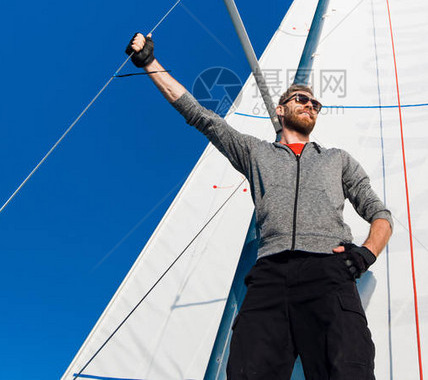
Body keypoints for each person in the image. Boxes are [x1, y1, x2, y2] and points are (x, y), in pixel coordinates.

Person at [128, 32, 393, 380]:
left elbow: (380, 214)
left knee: (348, 371)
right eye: (302, 99)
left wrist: (366, 254)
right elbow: (201, 116)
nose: (310, 105)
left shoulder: (338, 159)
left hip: (329, 275)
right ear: (281, 109)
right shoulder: (256, 152)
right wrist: (149, 63)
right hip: (270, 277)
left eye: (316, 104)